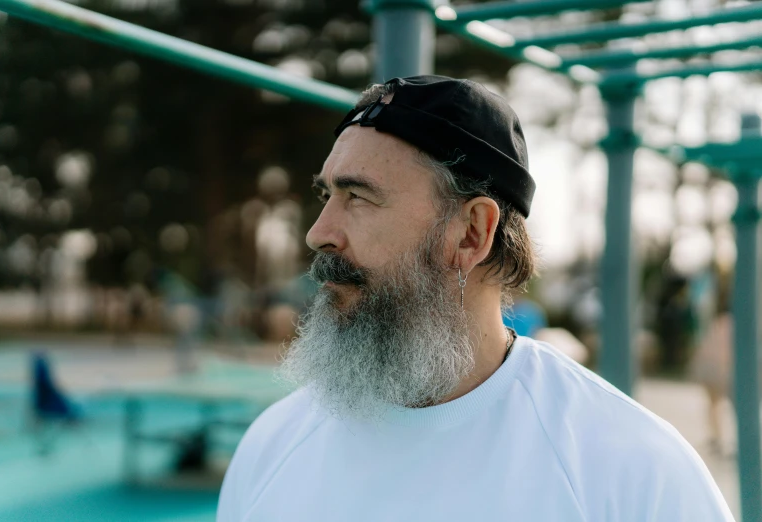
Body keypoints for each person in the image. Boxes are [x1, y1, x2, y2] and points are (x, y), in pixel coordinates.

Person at [217, 76, 733, 521]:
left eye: (358, 197)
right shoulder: (274, 444)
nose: (318, 232)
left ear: (471, 233)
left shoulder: (629, 468)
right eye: (326, 195)